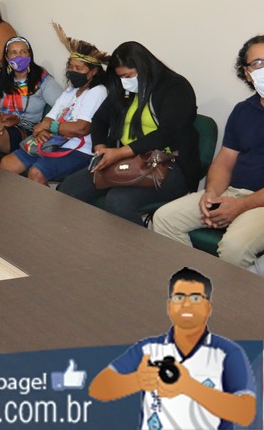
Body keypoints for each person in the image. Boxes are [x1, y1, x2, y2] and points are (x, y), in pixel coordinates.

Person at [89, 267, 256, 429]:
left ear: (208, 307)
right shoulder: (149, 349)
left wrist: (188, 386)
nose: (186, 304)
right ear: (169, 306)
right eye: (179, 297)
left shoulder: (228, 353)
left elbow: (246, 413)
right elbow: (98, 389)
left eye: (196, 298)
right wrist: (137, 380)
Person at [152, 35, 264, 269]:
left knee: (234, 247)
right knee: (164, 219)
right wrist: (211, 194)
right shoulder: (243, 110)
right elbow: (224, 161)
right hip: (233, 192)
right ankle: (196, 280)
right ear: (247, 73)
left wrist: (241, 206)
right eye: (258, 63)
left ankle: (236, 292)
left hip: (259, 204)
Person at [58, 42, 199, 225]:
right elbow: (100, 120)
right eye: (120, 77)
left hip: (168, 165)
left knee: (118, 201)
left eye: (128, 76)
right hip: (126, 162)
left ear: (144, 67)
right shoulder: (126, 90)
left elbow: (168, 133)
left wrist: (120, 152)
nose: (124, 81)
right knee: (69, 188)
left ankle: (134, 245)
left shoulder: (175, 87)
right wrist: (101, 148)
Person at [0, 23, 108, 184]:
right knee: (6, 164)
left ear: (94, 71)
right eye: (71, 67)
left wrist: (50, 127)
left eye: (79, 68)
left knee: (36, 173)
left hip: (80, 150)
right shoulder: (70, 91)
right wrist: (42, 130)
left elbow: (81, 128)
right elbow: (46, 120)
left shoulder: (97, 91)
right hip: (52, 142)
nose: (73, 71)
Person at [0, 36, 63, 163]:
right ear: (7, 57)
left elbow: (64, 106)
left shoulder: (43, 79)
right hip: (0, 124)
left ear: (30, 55)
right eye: (13, 53)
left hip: (26, 130)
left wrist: (46, 125)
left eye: (23, 52)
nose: (19, 56)